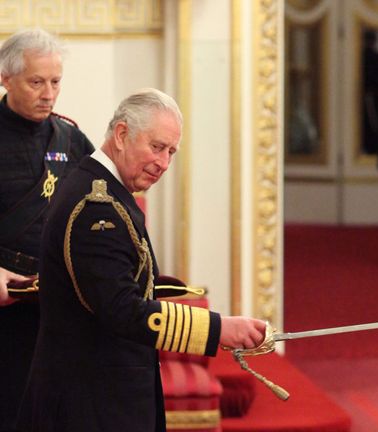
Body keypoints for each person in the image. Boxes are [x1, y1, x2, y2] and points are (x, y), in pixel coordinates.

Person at [17, 89, 267, 431]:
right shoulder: (96, 208)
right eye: (156, 147)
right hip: (92, 403)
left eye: (171, 152)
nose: (163, 163)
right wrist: (218, 328)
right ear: (121, 135)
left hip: (98, 394)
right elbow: (120, 308)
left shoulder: (102, 189)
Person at [0, 28, 95, 431]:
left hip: (57, 299)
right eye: (36, 82)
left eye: (55, 82)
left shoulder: (70, 137)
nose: (49, 93)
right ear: (6, 78)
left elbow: (99, 210)